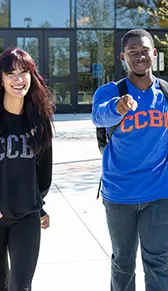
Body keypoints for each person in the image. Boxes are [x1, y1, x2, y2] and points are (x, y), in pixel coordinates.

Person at [92, 29, 168, 291]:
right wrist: (118, 107)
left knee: (159, 266)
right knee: (123, 264)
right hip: (118, 195)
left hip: (159, 194)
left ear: (155, 54)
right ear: (122, 57)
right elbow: (99, 117)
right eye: (132, 52)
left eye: (144, 51)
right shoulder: (109, 92)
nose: (139, 57)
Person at [0, 47, 55, 291]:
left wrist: (38, 205)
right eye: (10, 73)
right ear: (1, 79)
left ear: (32, 76)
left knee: (21, 285)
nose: (18, 79)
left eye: (23, 72)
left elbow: (43, 172)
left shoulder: (39, 120)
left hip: (26, 217)